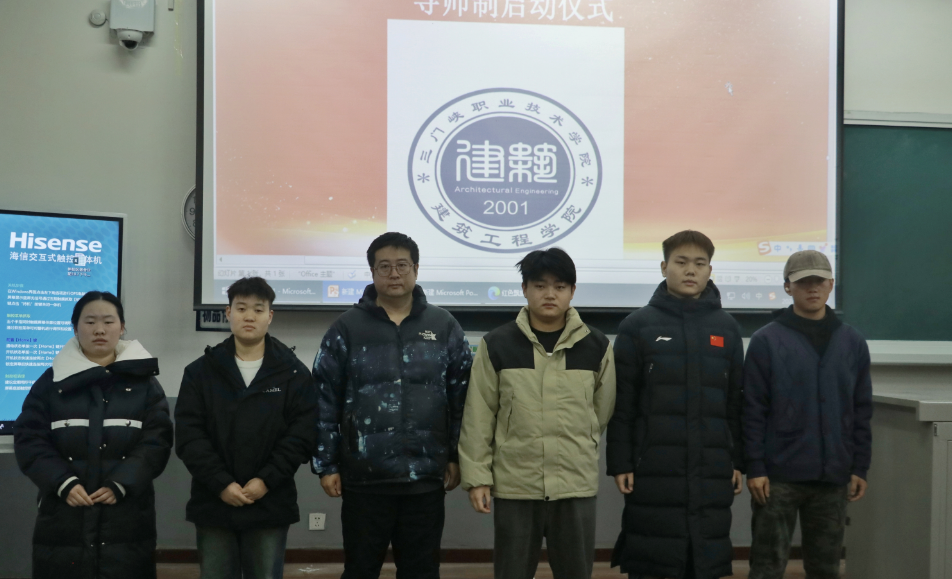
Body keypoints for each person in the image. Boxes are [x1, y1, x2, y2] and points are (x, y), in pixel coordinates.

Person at [312, 231, 473, 579]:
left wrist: (456, 456)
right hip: (364, 479)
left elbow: (462, 398)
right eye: (384, 266)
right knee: (360, 570)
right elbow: (324, 400)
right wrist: (326, 464)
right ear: (372, 272)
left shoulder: (443, 325)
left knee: (422, 571)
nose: (394, 274)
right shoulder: (346, 328)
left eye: (402, 265)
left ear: (416, 269)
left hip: (425, 477)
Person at [458, 247, 616, 579]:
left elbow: (600, 412)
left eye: (559, 286)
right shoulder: (498, 344)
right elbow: (479, 415)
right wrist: (477, 478)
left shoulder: (596, 345)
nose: (550, 294)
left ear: (572, 291)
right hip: (516, 484)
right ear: (524, 289)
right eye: (540, 285)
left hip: (574, 483)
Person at [607, 230, 744, 579]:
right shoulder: (637, 326)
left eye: (699, 263)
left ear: (710, 270)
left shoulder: (727, 328)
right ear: (664, 267)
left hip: (712, 465)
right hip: (653, 466)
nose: (690, 270)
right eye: (681, 262)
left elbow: (734, 404)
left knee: (704, 559)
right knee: (654, 558)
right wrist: (620, 462)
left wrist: (738, 460)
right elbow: (622, 404)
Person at [14, 291, 173, 579]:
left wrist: (122, 483)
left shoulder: (146, 385)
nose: (99, 329)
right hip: (64, 513)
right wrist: (63, 483)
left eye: (108, 321)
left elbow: (157, 441)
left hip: (126, 515)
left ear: (122, 327)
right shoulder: (50, 382)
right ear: (75, 328)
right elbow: (30, 439)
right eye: (89, 322)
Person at [175, 277, 317, 579]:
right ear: (228, 313)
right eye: (241, 308)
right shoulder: (200, 372)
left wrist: (265, 480)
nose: (249, 316)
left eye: (258, 309)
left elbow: (301, 436)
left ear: (270, 315)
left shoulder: (294, 373)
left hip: (270, 502)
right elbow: (189, 437)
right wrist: (221, 483)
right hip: (214, 502)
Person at [743, 250, 872, 579]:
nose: (812, 288)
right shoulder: (766, 341)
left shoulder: (853, 342)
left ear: (831, 284)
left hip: (833, 476)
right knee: (767, 567)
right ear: (788, 287)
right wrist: (755, 467)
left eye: (819, 281)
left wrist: (860, 465)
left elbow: (861, 409)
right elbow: (753, 409)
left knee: (826, 568)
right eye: (803, 282)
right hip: (778, 477)